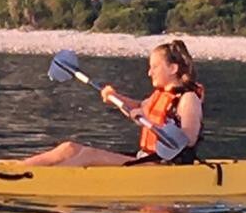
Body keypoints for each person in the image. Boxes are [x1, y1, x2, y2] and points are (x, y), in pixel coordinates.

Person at [23, 39, 203, 167]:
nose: (149, 73)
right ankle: (14, 169)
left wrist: (146, 118)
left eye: (154, 67)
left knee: (88, 155)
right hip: (145, 159)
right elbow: (138, 108)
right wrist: (115, 97)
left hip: (165, 166)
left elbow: (188, 140)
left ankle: (45, 181)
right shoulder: (161, 95)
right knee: (68, 148)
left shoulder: (189, 99)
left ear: (173, 68)